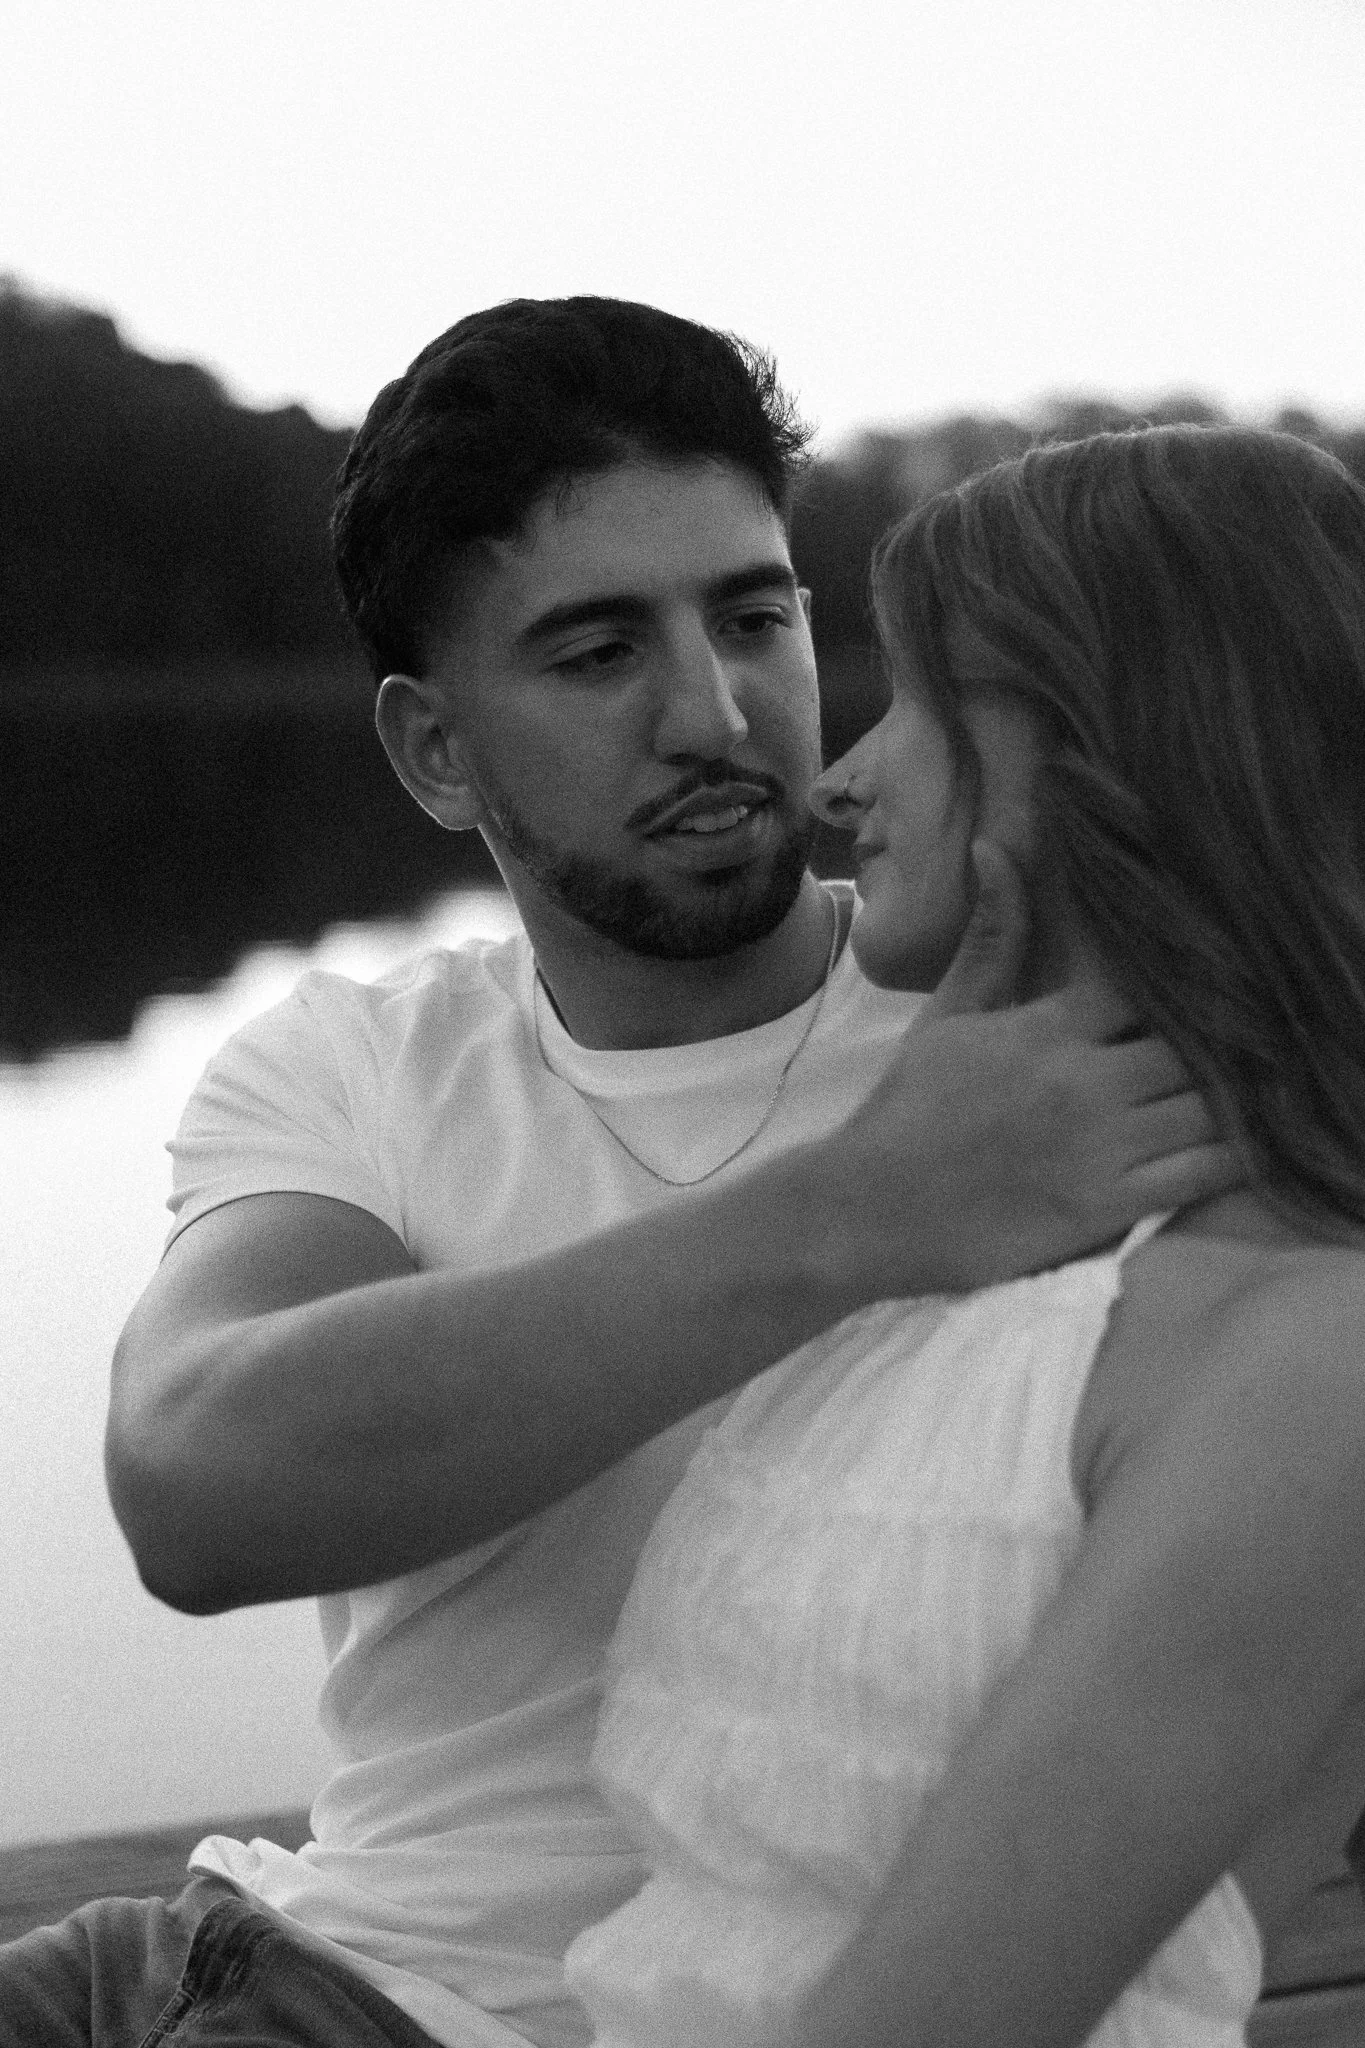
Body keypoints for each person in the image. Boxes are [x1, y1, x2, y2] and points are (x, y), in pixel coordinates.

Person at [2, 301, 1231, 2047]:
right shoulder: (361, 1066)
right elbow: (198, 1483)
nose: (715, 712)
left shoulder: (1048, 1036)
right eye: (596, 654)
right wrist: (863, 1211)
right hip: (269, 1948)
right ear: (437, 752)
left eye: (754, 615)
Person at [562, 422, 1365, 2048]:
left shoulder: (1302, 1355)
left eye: (920, 703)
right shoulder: (930, 1257)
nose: (842, 778)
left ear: (1103, 742)